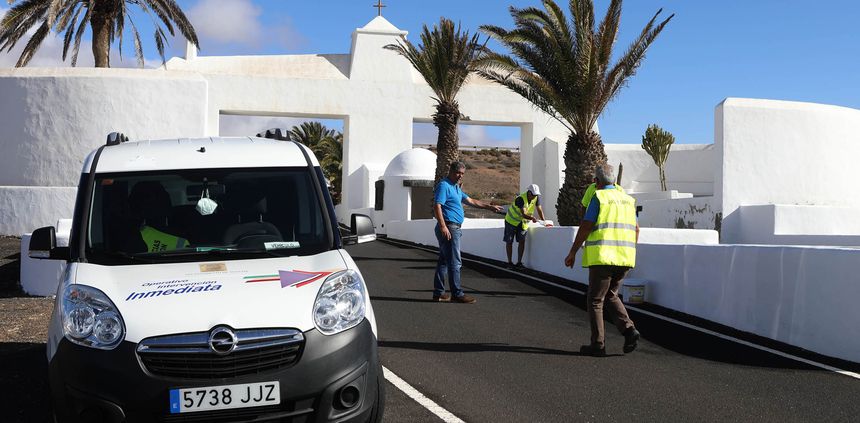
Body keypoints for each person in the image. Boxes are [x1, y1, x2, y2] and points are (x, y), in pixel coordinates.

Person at [564, 163, 641, 356]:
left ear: (597, 181)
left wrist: (573, 251)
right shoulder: (627, 200)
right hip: (624, 258)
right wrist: (630, 250)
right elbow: (636, 229)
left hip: (603, 257)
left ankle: (597, 344)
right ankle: (629, 330)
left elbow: (586, 226)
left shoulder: (599, 197)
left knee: (595, 300)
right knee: (611, 295)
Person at [433, 161, 503, 304]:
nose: (460, 176)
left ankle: (439, 293)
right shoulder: (444, 185)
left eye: (463, 174)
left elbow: (471, 201)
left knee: (444, 261)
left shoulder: (456, 188)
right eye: (458, 173)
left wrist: (489, 207)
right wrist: (443, 226)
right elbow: (437, 205)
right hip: (449, 226)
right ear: (451, 171)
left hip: (453, 226)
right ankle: (457, 294)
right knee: (455, 262)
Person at [503, 184, 552, 269]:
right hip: (511, 221)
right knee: (509, 241)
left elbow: (539, 209)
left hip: (523, 223)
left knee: (522, 241)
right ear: (529, 192)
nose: (534, 197)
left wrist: (544, 221)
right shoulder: (520, 199)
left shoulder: (536, 197)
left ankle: (519, 263)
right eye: (533, 195)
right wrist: (532, 218)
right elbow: (524, 214)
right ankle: (509, 263)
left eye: (536, 195)